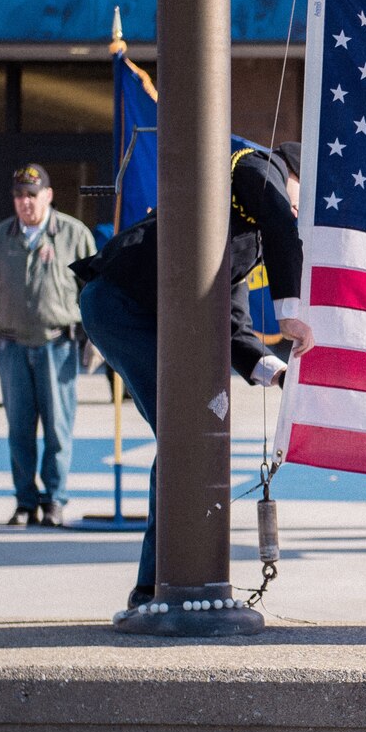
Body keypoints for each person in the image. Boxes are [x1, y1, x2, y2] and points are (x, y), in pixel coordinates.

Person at [76, 141, 314, 607]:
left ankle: (164, 581)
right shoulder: (256, 166)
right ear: (291, 174)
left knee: (188, 434)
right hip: (122, 304)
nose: (298, 210)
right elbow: (280, 220)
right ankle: (155, 586)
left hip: (143, 311)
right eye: (300, 198)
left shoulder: (248, 230)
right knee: (184, 433)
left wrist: (277, 372)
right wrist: (290, 310)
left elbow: (232, 321)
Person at [0, 164, 96, 527]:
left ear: (48, 195)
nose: (25, 202)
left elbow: (94, 292)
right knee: (19, 431)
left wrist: (96, 340)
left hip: (57, 347)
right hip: (12, 348)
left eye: (32, 194)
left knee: (58, 429)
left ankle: (55, 501)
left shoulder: (74, 236)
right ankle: (25, 502)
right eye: (19, 196)